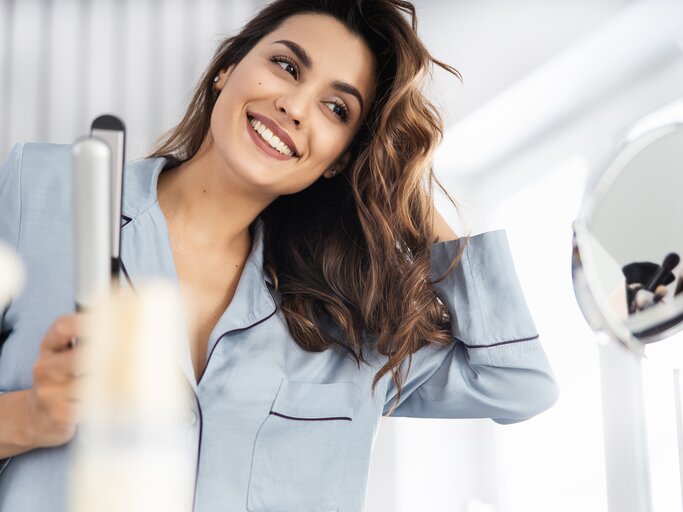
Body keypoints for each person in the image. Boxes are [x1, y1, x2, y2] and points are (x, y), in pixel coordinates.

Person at [0, 0, 559, 510]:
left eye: (337, 109)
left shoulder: (345, 324)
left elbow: (517, 383)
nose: (294, 106)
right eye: (288, 66)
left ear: (343, 157)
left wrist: (400, 190)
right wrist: (31, 417)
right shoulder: (42, 187)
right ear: (227, 68)